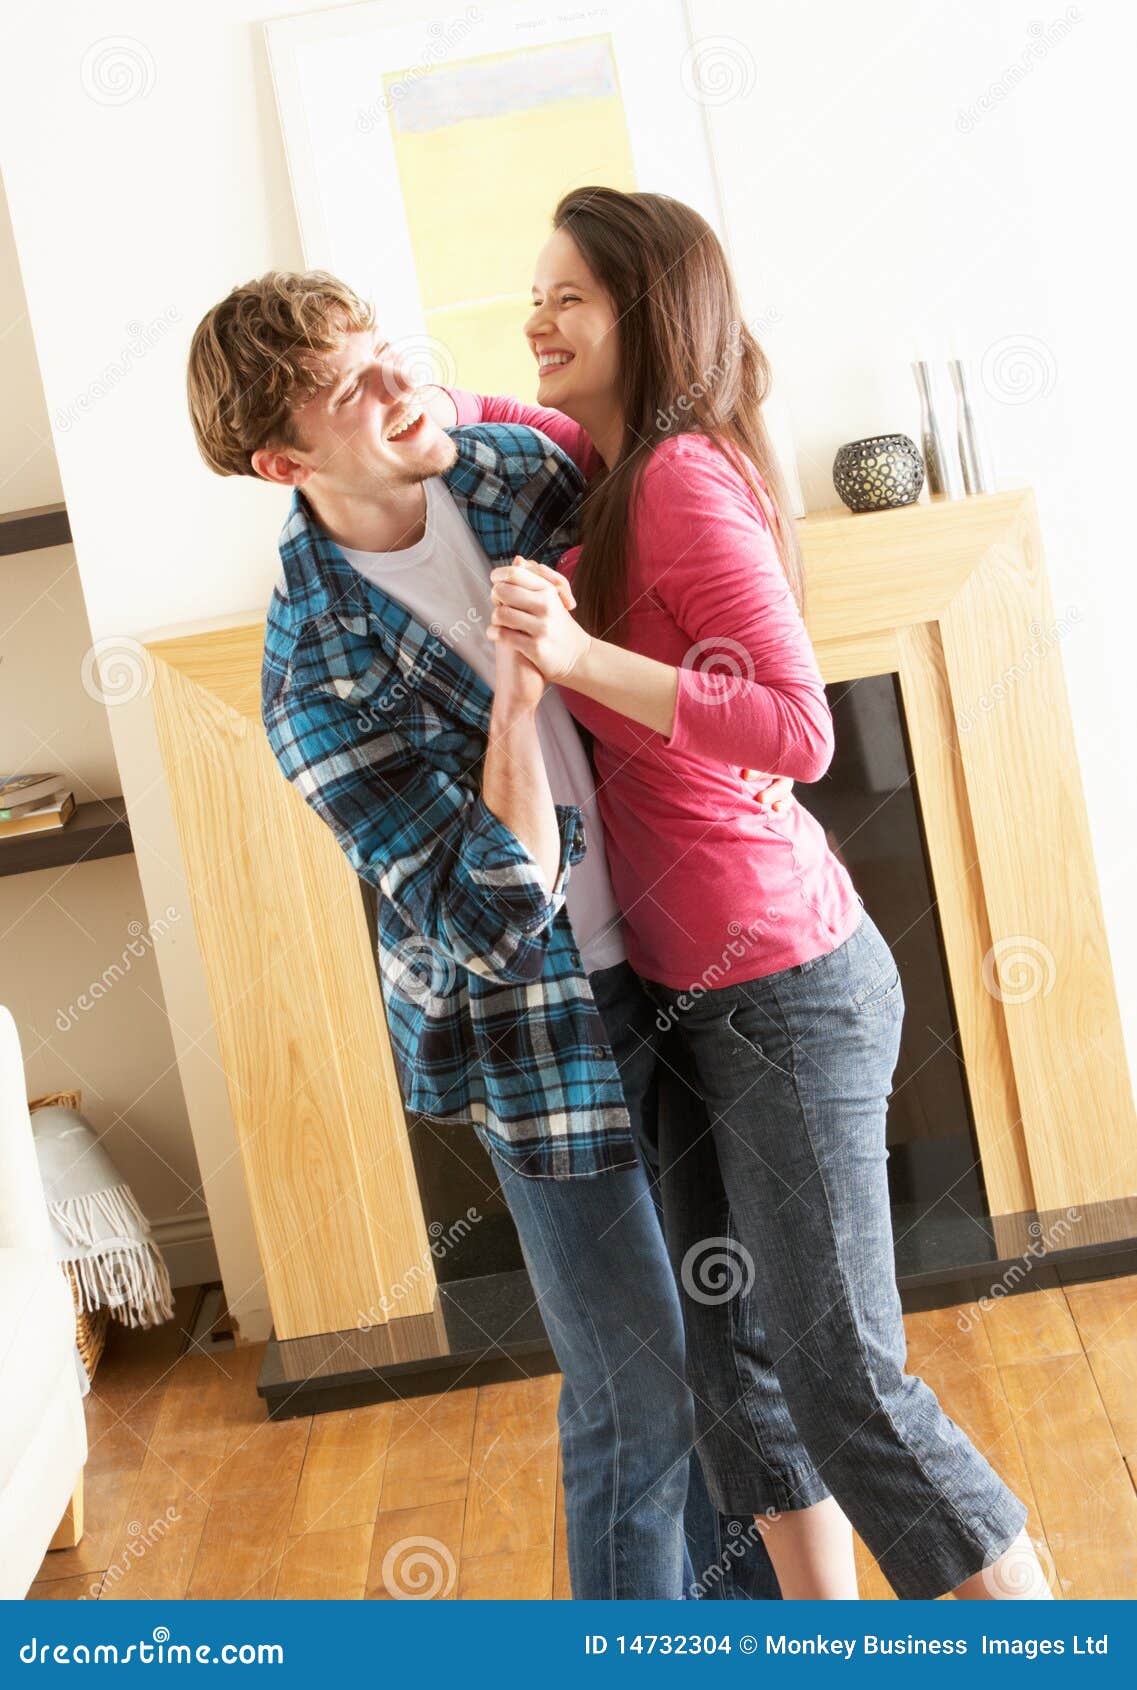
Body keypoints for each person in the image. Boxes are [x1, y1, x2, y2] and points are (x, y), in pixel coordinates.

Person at [459, 185, 1051, 1602]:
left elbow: (796, 725)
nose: (536, 319)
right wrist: (416, 396)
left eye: (569, 300)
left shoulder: (669, 477)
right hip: (700, 997)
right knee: (734, 1375)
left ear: (646, 314)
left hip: (785, 986)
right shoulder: (610, 465)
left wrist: (579, 654)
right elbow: (510, 416)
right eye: (532, 294)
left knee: (842, 1375)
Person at [184, 270, 780, 1600]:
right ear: (285, 459)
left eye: (390, 350)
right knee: (636, 1395)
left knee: (736, 1371)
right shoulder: (310, 671)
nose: (406, 384)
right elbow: (485, 908)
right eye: (355, 388)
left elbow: (698, 584)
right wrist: (518, 701)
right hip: (534, 1032)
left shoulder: (513, 471)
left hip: (693, 957)